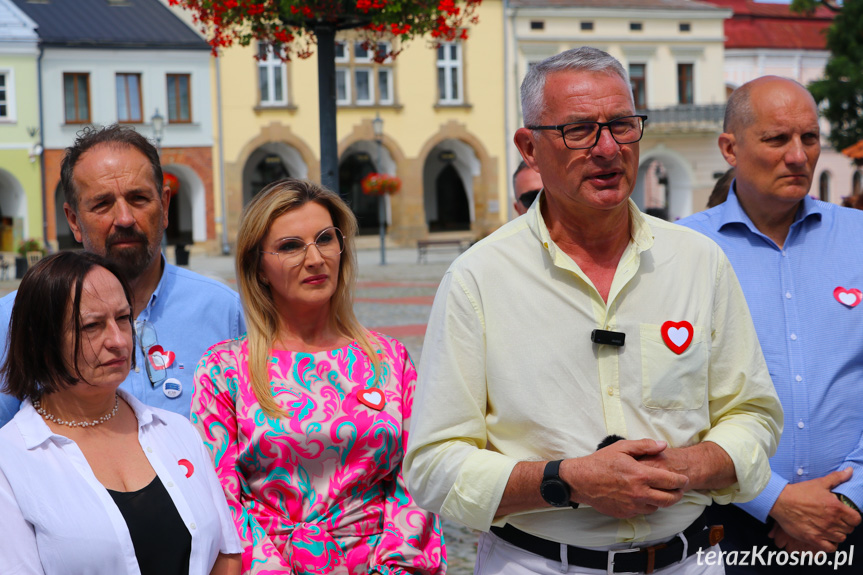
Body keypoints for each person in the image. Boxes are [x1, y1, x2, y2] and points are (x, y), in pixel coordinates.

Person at [404, 47, 783, 575]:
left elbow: (753, 414)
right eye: (579, 130)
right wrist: (568, 481)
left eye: (623, 125)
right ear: (529, 148)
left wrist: (690, 467)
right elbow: (433, 467)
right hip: (540, 564)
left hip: (688, 559)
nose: (608, 148)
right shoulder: (479, 278)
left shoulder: (697, 261)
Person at [191, 178, 445, 574]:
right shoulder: (224, 369)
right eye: (291, 246)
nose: (315, 258)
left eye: (325, 239)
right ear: (258, 266)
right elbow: (220, 496)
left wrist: (395, 568)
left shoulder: (388, 359)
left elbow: (415, 479)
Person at [678, 76, 863, 573]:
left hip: (853, 521)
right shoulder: (680, 252)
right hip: (730, 524)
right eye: (777, 139)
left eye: (809, 138)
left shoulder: (859, 237)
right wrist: (774, 499)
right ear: (729, 148)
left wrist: (851, 498)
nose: (799, 156)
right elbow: (672, 399)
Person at [0, 251, 241, 575]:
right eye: (91, 326)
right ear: (40, 339)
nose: (117, 340)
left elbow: (226, 554)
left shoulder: (176, 430)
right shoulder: (10, 461)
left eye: (124, 318)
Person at [0, 124, 245, 426]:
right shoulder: (17, 317)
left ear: (165, 205)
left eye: (139, 198)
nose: (125, 219)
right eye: (102, 204)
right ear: (74, 220)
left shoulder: (225, 313)